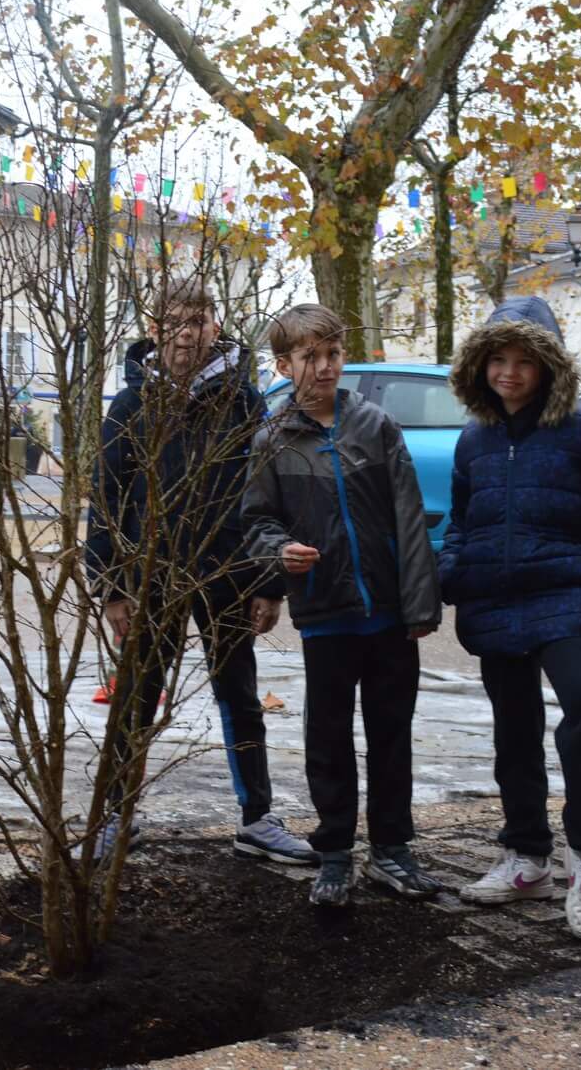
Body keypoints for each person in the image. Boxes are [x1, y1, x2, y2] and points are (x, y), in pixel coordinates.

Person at [439, 296, 581, 941]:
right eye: (497, 359)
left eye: (524, 361)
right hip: (494, 602)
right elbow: (461, 519)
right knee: (514, 730)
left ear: (548, 366)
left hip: (565, 599)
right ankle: (525, 856)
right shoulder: (474, 439)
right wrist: (454, 569)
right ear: (480, 366)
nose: (509, 373)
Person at [85, 276, 311, 867]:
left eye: (199, 320)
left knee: (239, 693)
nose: (187, 334)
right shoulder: (133, 403)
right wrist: (111, 585)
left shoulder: (242, 399)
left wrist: (267, 583)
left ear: (215, 324)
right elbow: (105, 495)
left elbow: (267, 492)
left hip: (227, 572)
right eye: (175, 322)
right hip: (150, 575)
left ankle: (257, 818)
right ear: (154, 329)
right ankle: (115, 814)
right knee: (137, 694)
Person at [241, 303, 444, 905]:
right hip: (325, 615)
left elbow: (409, 517)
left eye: (333, 354)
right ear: (284, 365)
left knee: (391, 734)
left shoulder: (376, 426)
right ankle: (334, 853)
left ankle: (392, 850)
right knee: (327, 737)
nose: (325, 367)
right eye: (310, 357)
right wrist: (279, 555)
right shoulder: (273, 439)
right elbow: (255, 522)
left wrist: (418, 604)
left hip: (387, 614)